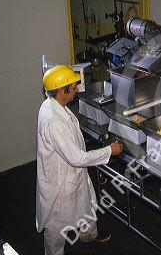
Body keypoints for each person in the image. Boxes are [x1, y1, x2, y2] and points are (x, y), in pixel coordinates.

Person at [36, 65, 123, 255]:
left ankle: (89, 234)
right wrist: (109, 150)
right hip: (61, 182)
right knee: (56, 224)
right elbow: (77, 158)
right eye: (73, 87)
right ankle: (53, 252)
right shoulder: (53, 121)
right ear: (61, 91)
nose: (77, 89)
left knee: (89, 202)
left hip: (73, 172)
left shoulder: (53, 103)